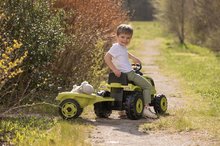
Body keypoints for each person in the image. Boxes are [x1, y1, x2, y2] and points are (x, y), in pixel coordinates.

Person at [104, 24, 158, 119]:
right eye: (122, 37)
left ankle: (122, 110)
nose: (125, 40)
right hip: (129, 74)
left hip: (123, 74)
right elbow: (107, 57)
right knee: (147, 86)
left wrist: (133, 58)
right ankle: (146, 108)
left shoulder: (121, 46)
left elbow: (125, 53)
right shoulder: (116, 47)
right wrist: (114, 69)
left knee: (128, 90)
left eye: (128, 38)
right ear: (116, 36)